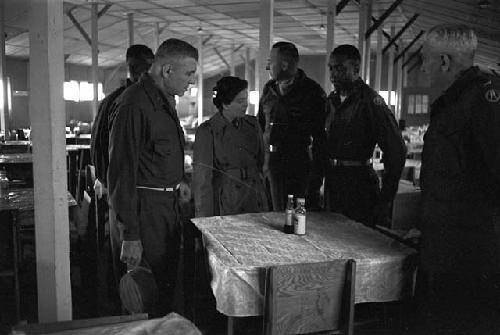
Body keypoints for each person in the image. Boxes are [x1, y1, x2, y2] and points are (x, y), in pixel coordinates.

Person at [417, 24, 500, 333]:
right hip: (446, 246)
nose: (423, 67)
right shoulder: (454, 101)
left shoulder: (483, 98)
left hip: (470, 253)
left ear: (444, 62)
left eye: (425, 59)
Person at [108, 38, 198, 316]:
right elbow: (121, 172)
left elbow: (158, 154)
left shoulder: (163, 100)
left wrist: (177, 183)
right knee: (145, 296)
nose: (191, 82)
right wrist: (131, 235)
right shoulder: (134, 104)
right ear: (167, 70)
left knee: (165, 288)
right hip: (144, 214)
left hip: (165, 209)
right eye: (189, 74)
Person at [324, 44, 406, 227]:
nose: (333, 75)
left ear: (355, 70)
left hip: (358, 186)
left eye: (339, 68)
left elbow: (397, 150)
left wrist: (386, 199)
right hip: (333, 183)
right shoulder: (331, 102)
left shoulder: (370, 101)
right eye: (330, 68)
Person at [257, 41, 326, 211]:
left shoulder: (312, 92)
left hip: (299, 169)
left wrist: (316, 181)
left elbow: (321, 139)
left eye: (270, 62)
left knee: (296, 219)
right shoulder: (269, 90)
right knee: (273, 217)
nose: (267, 67)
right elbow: (259, 127)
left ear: (284, 64)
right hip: (270, 167)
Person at [193, 76, 268, 217]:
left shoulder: (253, 125)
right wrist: (204, 219)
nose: (245, 105)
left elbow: (260, 161)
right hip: (227, 201)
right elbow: (203, 180)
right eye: (240, 101)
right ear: (225, 104)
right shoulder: (208, 131)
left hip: (254, 197)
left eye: (246, 99)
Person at [90, 44, 154, 197]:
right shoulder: (140, 103)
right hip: (134, 191)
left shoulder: (110, 101)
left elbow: (97, 146)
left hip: (114, 185)